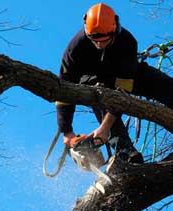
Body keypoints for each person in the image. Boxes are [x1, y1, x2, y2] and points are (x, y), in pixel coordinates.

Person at [56, 3, 173, 164]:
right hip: (93, 82)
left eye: (104, 40)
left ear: (114, 30)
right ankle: (126, 152)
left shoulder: (127, 42)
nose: (99, 44)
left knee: (162, 84)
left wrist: (104, 128)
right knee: (98, 93)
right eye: (95, 40)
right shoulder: (74, 50)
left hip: (125, 77)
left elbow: (122, 92)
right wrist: (66, 131)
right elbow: (64, 91)